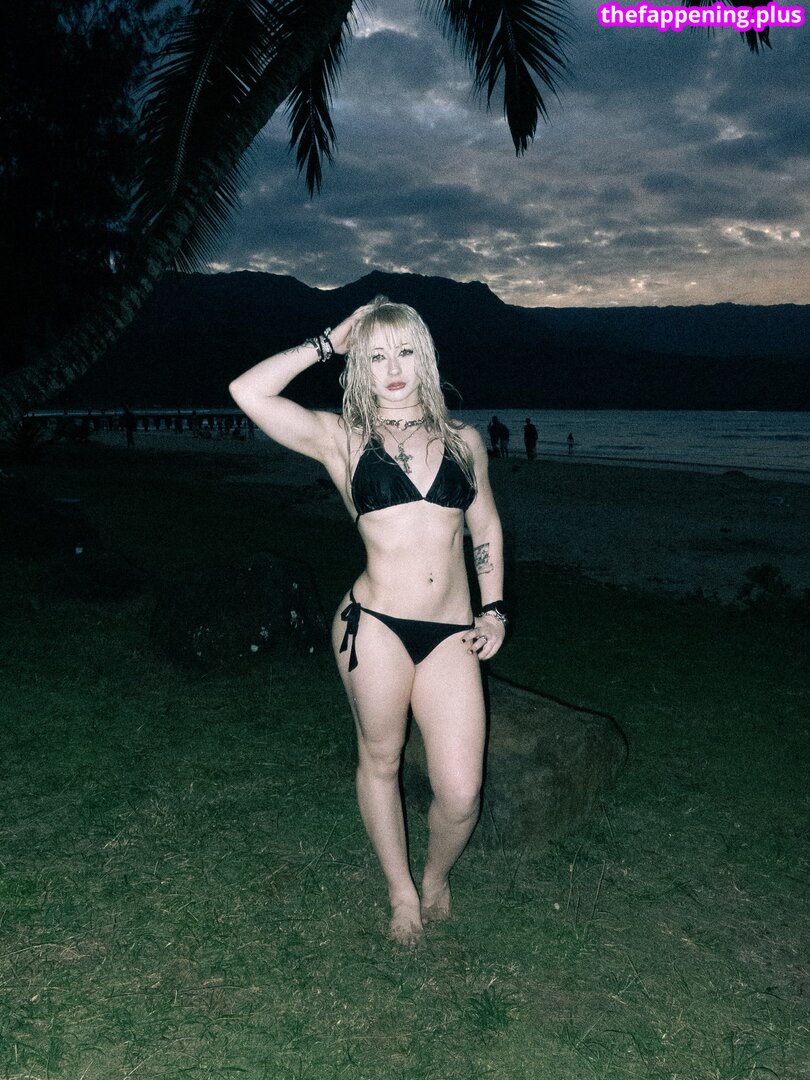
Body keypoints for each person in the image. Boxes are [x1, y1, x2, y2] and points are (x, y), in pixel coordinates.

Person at [229, 296, 506, 947]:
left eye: (405, 352)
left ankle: (435, 875)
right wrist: (328, 341)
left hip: (451, 634)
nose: (393, 369)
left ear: (424, 357)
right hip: (374, 626)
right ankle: (401, 891)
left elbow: (486, 525)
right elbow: (247, 391)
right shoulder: (342, 438)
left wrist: (493, 609)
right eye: (377, 355)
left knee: (461, 792)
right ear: (360, 365)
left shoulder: (464, 442)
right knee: (381, 760)